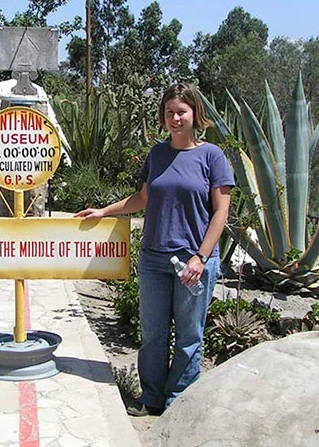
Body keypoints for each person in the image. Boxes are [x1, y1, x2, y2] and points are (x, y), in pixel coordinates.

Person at [75, 83, 234, 415]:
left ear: (195, 114)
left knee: (190, 335)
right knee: (153, 334)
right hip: (153, 259)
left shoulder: (212, 156)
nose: (175, 118)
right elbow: (142, 199)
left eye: (182, 112)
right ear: (163, 117)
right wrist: (104, 211)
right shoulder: (158, 154)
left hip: (195, 261)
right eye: (169, 112)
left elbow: (221, 212)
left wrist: (201, 258)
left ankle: (178, 402)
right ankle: (151, 399)